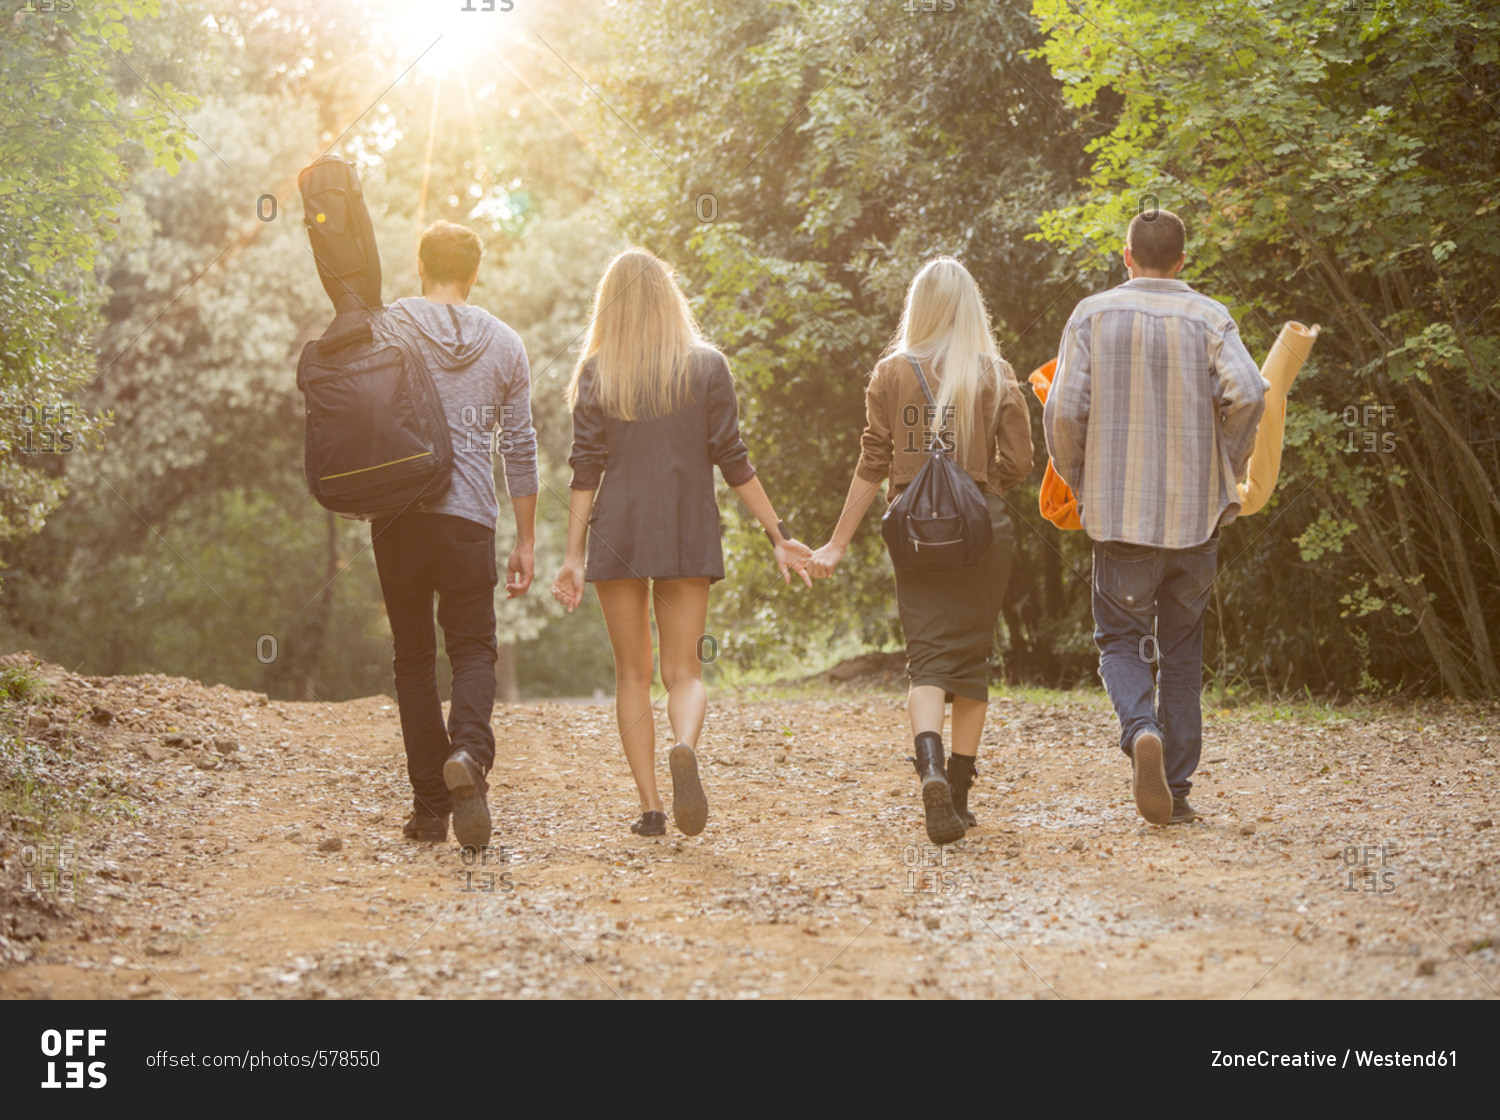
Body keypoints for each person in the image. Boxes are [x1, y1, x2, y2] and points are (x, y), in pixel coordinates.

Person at [550, 248, 811, 838]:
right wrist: (781, 535)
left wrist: (572, 557)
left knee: (631, 677)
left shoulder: (597, 373)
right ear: (670, 297)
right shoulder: (707, 367)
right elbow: (734, 461)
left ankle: (650, 809)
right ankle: (684, 746)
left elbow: (585, 470)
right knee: (685, 671)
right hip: (687, 525)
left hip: (618, 529)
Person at [1043, 209, 1266, 826]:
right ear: (1183, 262)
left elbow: (1063, 411)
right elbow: (1250, 392)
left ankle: (1141, 728)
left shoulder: (1091, 314)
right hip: (1196, 520)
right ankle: (1178, 786)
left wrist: (1080, 477)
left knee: (1119, 639)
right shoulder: (1210, 318)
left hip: (1119, 517)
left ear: (1126, 256)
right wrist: (1228, 461)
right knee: (1183, 650)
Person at [807, 258, 1033, 845]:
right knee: (972, 661)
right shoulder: (995, 372)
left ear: (918, 308)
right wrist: (979, 487)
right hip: (982, 530)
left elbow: (871, 462)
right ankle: (956, 793)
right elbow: (1021, 461)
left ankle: (928, 767)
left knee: (927, 660)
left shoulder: (889, 373)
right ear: (970, 307)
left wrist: (836, 542)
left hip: (913, 535)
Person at [370, 220, 538, 849]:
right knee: (472, 649)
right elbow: (520, 446)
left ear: (420, 266)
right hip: (470, 518)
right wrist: (524, 539)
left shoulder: (386, 324)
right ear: (474, 273)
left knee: (413, 659)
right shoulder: (507, 345)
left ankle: (429, 812)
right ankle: (469, 752)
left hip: (398, 514)